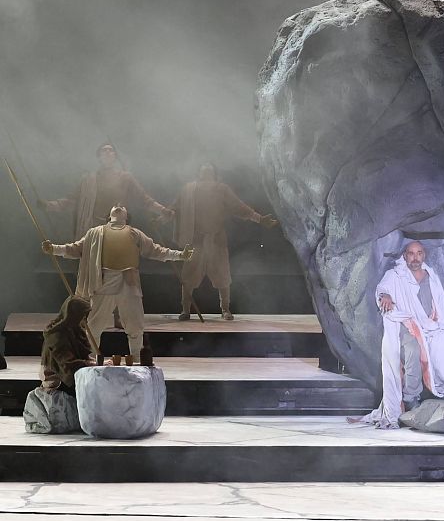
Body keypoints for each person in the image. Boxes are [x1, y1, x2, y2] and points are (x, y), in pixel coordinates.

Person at [41, 205, 192, 362]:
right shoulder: (95, 233)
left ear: (126, 216)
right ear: (109, 216)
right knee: (94, 326)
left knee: (135, 325)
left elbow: (156, 250)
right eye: (115, 206)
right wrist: (54, 249)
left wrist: (180, 255)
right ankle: (90, 360)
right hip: (103, 283)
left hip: (129, 284)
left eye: (122, 206)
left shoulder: (134, 233)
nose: (118, 206)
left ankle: (137, 359)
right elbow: (75, 248)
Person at [357, 241, 444, 429]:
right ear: (405, 256)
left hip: (429, 326)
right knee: (413, 349)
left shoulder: (431, 276)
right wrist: (385, 296)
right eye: (411, 254)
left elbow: (440, 303)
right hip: (406, 325)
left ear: (424, 255)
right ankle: (411, 398)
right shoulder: (395, 275)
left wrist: (443, 326)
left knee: (443, 347)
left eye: (419, 253)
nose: (415, 258)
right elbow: (382, 290)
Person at [172, 163, 277, 320]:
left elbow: (239, 207)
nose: (206, 172)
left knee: (223, 277)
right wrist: (162, 217)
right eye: (203, 169)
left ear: (215, 174)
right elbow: (175, 208)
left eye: (209, 170)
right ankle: (185, 310)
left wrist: (260, 219)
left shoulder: (221, 189)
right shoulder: (189, 190)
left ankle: (225, 309)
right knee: (188, 278)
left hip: (217, 240)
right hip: (196, 241)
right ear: (199, 173)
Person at [40, 143, 172, 241]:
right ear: (99, 157)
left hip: (118, 228)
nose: (108, 152)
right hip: (94, 228)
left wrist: (163, 210)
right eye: (104, 150)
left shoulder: (125, 177)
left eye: (111, 150)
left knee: (116, 265)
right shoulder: (89, 180)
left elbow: (144, 199)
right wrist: (49, 205)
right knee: (94, 265)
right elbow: (72, 200)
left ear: (115, 156)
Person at [23, 295, 96, 434]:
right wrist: (90, 364)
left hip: (72, 372)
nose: (84, 319)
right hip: (59, 377)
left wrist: (93, 362)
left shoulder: (75, 330)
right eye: (82, 315)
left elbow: (83, 354)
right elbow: (66, 363)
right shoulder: (56, 335)